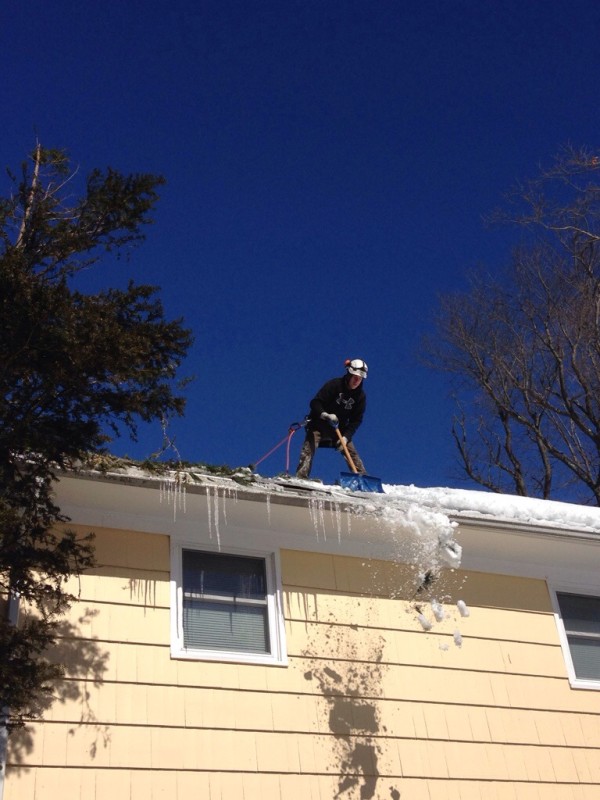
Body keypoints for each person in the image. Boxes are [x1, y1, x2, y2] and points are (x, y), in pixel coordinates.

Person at [295, 358, 368, 479]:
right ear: (349, 374)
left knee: (351, 452)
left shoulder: (360, 397)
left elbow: (356, 420)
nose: (357, 381)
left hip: (340, 429)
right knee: (309, 447)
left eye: (360, 378)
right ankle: (301, 477)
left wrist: (346, 437)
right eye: (355, 377)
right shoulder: (334, 385)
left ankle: (363, 479)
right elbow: (315, 402)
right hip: (319, 424)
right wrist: (325, 414)